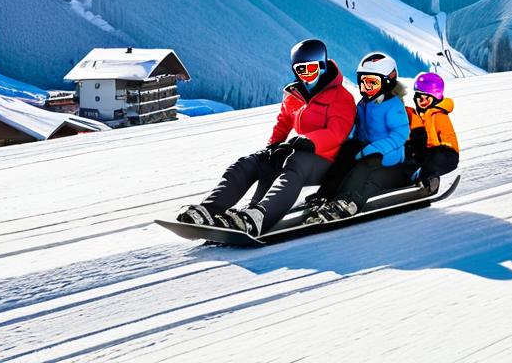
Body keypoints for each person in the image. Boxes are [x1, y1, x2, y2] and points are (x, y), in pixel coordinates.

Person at [175, 38, 356, 235]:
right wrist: (274, 146)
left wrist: (309, 141)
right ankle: (209, 209)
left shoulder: (341, 97)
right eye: (301, 70)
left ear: (322, 65)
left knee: (295, 163)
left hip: (329, 160)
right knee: (250, 162)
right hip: (301, 151)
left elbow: (337, 133)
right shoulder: (294, 94)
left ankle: (261, 215)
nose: (306, 76)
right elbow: (284, 122)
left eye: (311, 69)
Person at [304, 52, 410, 222]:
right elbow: (357, 127)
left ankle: (347, 201)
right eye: (363, 82)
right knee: (346, 152)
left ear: (387, 81)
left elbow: (400, 135)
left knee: (365, 164)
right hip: (366, 145)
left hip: (390, 152)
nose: (366, 88)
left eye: (372, 83)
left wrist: (374, 149)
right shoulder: (364, 103)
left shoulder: (393, 106)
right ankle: (326, 194)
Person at [404, 72, 459, 194]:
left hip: (447, 153)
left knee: (429, 161)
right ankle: (413, 179)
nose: (422, 102)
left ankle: (430, 184)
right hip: (433, 151)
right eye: (420, 98)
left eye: (426, 99)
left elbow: (436, 140)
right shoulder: (423, 115)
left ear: (435, 98)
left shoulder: (437, 115)